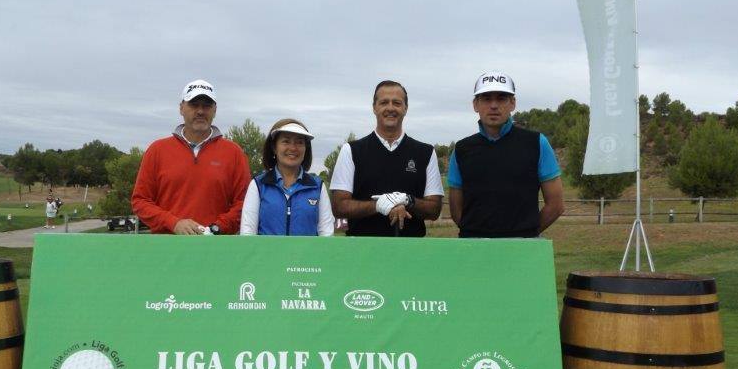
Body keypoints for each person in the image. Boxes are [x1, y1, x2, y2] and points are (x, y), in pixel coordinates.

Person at [448, 71, 564, 238]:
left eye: (501, 98)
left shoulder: (537, 143)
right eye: (486, 98)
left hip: (523, 249)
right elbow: (456, 210)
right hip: (474, 248)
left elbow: (556, 205)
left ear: (513, 103)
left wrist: (526, 234)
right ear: (475, 104)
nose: (494, 105)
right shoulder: (461, 149)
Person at [131, 79, 251, 235]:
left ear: (215, 110)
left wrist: (216, 228)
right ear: (181, 108)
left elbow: (244, 204)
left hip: (217, 247)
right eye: (194, 105)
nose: (200, 111)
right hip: (166, 248)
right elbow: (140, 201)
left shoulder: (234, 153)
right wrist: (173, 223)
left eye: (206, 105)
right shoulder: (157, 150)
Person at [329, 80, 443, 237]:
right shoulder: (351, 150)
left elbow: (434, 209)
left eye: (397, 103)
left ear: (405, 108)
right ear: (374, 107)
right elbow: (339, 206)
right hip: (361, 250)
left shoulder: (426, 152)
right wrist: (379, 205)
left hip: (412, 251)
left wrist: (408, 200)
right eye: (384, 102)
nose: (390, 108)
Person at [240, 119, 334, 236]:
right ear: (274, 147)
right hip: (266, 255)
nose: (293, 148)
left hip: (308, 255)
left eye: (299, 142)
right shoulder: (258, 185)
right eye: (286, 141)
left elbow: (327, 234)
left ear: (306, 148)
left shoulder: (318, 187)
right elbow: (247, 233)